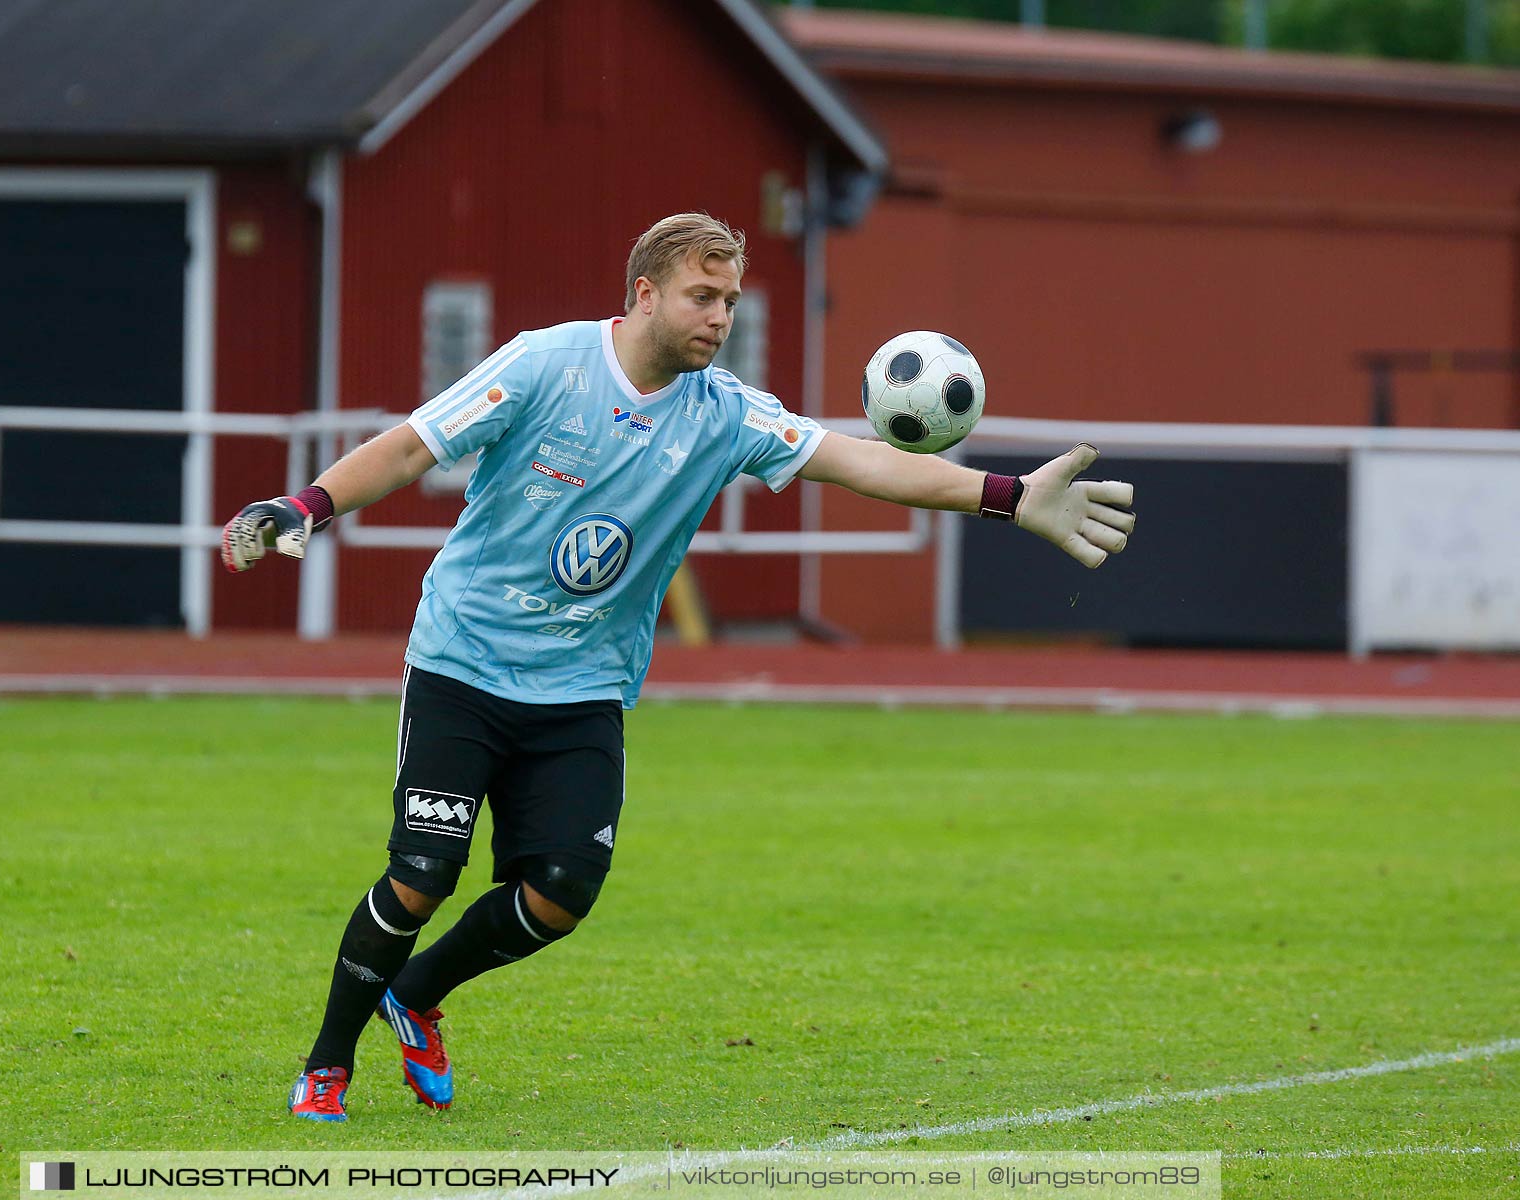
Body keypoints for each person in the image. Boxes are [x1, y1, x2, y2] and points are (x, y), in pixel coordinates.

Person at [220, 213, 1135, 1122]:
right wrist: (307, 503)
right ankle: (326, 1067)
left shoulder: (724, 412)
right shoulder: (547, 363)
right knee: (422, 875)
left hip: (582, 687)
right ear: (645, 294)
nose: (720, 317)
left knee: (560, 897)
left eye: (731, 301)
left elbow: (861, 462)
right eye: (703, 296)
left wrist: (1010, 499)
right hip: (465, 662)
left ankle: (415, 994)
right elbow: (415, 444)